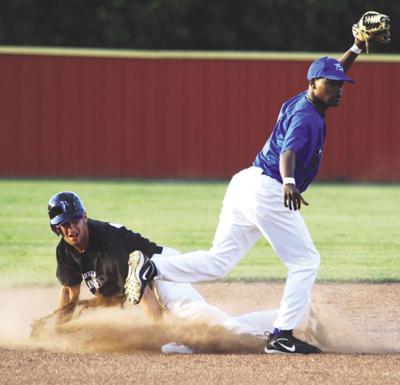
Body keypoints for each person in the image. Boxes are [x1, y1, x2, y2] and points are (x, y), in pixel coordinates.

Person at [123, 28, 381, 354]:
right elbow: (288, 152)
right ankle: (283, 336)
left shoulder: (301, 99)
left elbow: (331, 71)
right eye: (332, 84)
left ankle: (152, 267)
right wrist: (288, 182)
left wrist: (356, 46)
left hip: (245, 183)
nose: (339, 89)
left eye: (341, 84)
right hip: (270, 187)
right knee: (305, 262)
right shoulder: (307, 117)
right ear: (314, 84)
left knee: (220, 261)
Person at [46, 190, 282, 350]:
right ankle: (284, 319)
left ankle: (258, 341)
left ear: (84, 217)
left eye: (74, 221)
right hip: (148, 273)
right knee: (196, 323)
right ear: (56, 229)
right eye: (63, 225)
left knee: (187, 312)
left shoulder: (107, 245)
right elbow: (69, 293)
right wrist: (58, 327)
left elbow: (143, 288)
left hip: (161, 268)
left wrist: (160, 336)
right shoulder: (65, 251)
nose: (70, 229)